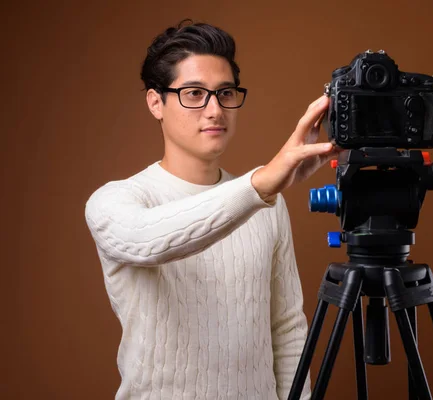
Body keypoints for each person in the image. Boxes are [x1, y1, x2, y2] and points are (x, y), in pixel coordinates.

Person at [84, 19, 340, 400]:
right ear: (156, 102)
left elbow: (286, 331)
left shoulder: (268, 204)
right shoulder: (115, 201)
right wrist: (260, 184)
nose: (214, 109)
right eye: (193, 93)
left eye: (225, 93)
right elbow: (147, 238)